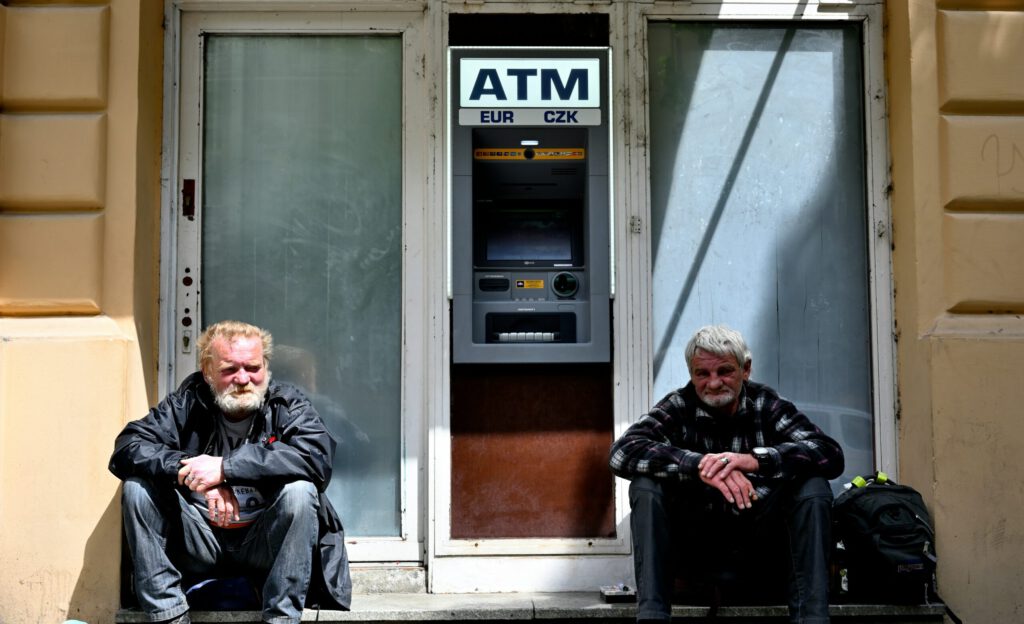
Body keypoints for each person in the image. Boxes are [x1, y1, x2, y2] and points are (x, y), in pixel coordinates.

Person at [109, 321, 351, 624]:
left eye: (253, 368)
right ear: (208, 371)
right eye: (229, 370)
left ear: (266, 367)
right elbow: (128, 447)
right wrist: (195, 473)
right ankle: (169, 616)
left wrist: (226, 469)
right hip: (198, 540)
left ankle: (282, 620)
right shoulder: (186, 403)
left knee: (300, 492)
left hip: (263, 542)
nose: (243, 379)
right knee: (137, 488)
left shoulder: (287, 404)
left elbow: (315, 458)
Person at [609, 325, 844, 624]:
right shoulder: (678, 405)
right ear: (691, 374)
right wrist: (697, 465)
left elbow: (830, 453)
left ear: (745, 370)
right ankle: (653, 617)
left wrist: (756, 461)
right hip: (695, 550)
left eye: (725, 371)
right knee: (645, 486)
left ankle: (812, 619)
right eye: (702, 374)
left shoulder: (766, 404)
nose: (714, 383)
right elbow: (621, 452)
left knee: (814, 487)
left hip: (759, 548)